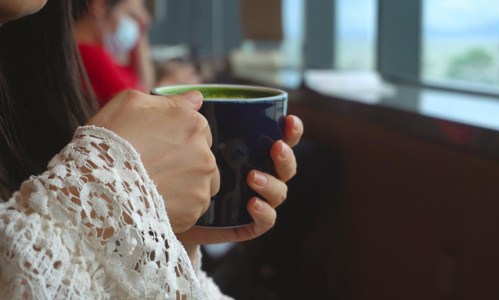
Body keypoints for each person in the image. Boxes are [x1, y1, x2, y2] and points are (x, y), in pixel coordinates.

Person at [0, 0, 303, 299]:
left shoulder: (31, 90)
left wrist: (159, 235)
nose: (142, 21)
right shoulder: (87, 58)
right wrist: (115, 189)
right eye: (134, 13)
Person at [72, 0, 201, 106]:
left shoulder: (99, 52)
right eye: (131, 16)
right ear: (100, 6)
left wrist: (140, 36)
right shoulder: (87, 54)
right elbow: (138, 106)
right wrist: (170, 83)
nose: (137, 26)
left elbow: (142, 84)